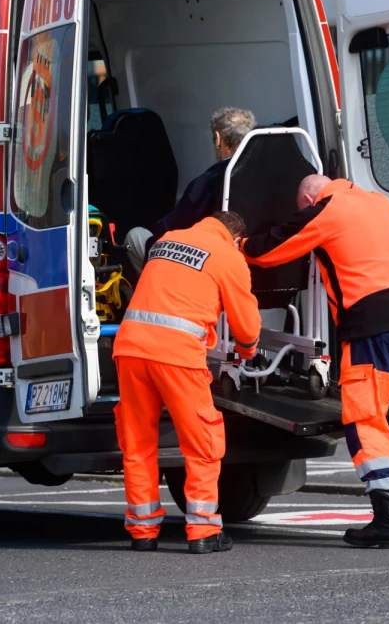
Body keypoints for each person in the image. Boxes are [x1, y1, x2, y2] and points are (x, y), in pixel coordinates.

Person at [242, 174, 389, 549]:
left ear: (306, 198)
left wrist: (239, 244)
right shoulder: (381, 203)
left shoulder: (326, 210)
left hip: (370, 323)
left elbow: (267, 251)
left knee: (366, 418)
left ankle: (386, 522)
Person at [112, 211, 261, 554]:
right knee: (202, 443)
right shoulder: (227, 255)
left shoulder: (166, 241)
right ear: (236, 239)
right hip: (177, 356)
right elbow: (247, 328)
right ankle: (203, 531)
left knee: (137, 444)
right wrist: (247, 350)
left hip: (131, 348)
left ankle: (143, 531)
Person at [125, 107, 256, 274]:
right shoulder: (269, 174)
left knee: (135, 236)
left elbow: (169, 229)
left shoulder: (207, 182)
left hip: (207, 265)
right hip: (254, 262)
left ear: (217, 139)